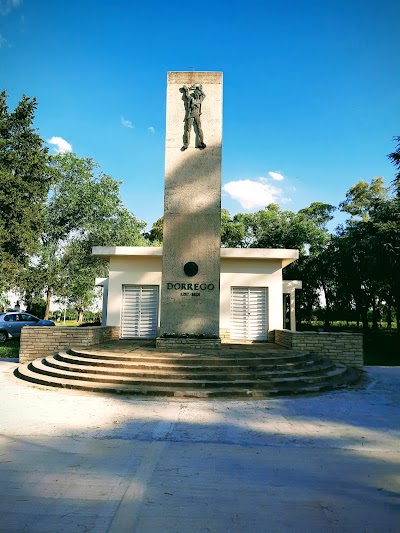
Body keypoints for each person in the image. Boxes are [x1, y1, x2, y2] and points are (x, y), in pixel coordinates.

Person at [181, 84, 206, 150]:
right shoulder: (191, 99)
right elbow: (187, 95)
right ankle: (186, 144)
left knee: (199, 128)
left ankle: (201, 142)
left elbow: (204, 95)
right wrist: (186, 90)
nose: (196, 95)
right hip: (190, 115)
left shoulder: (199, 100)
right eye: (195, 94)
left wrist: (200, 90)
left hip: (197, 115)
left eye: (197, 94)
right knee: (188, 130)